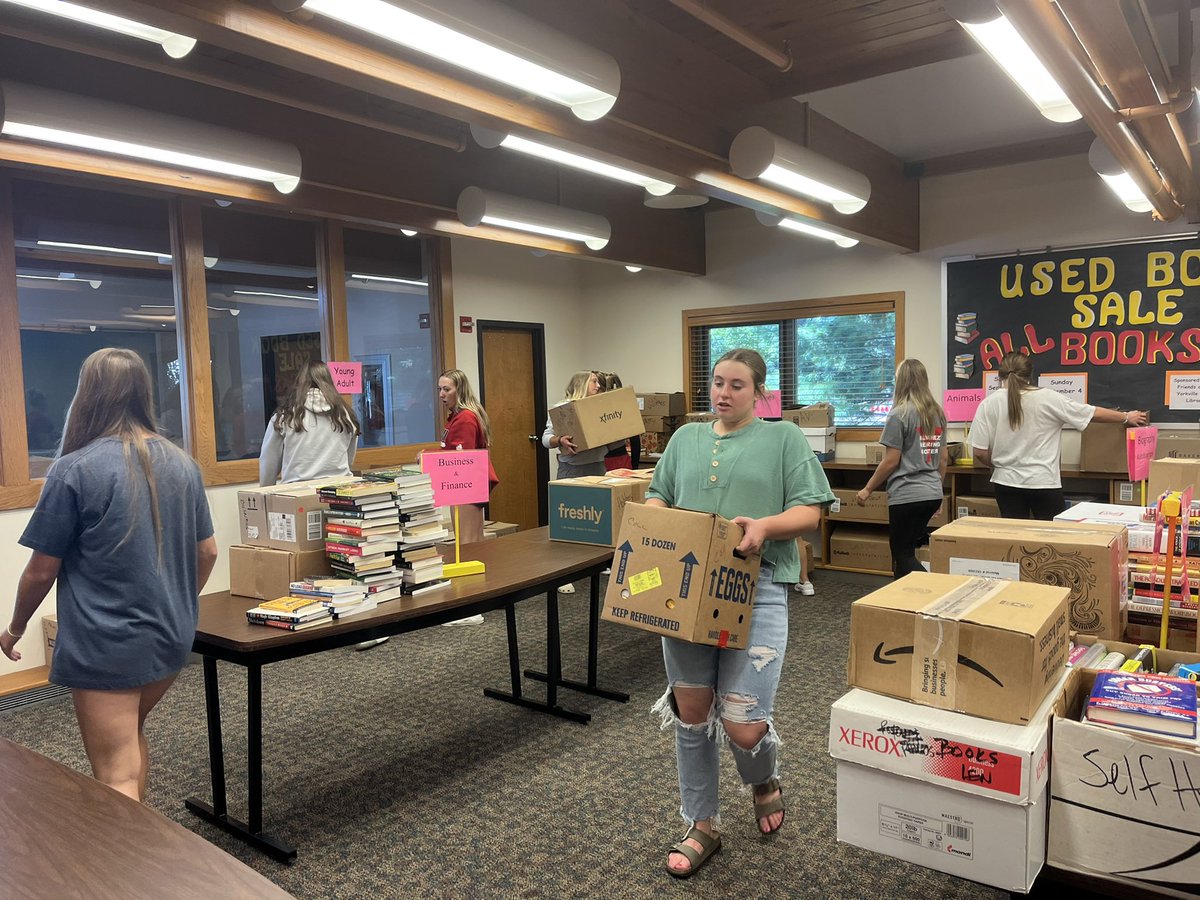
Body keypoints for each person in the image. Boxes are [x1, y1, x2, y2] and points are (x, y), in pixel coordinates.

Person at [645, 348, 834, 879]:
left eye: (737, 385)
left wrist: (765, 528)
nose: (724, 393)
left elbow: (811, 511)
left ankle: (764, 780)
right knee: (692, 711)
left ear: (760, 393)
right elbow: (657, 495)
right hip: (685, 591)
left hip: (759, 586)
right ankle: (701, 823)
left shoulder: (783, 438)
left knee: (744, 725)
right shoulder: (684, 440)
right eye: (718, 382)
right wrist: (662, 524)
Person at [1, 348, 218, 802]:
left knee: (116, 771)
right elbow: (208, 552)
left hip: (109, 642)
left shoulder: (73, 470)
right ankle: (144, 842)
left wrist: (15, 627)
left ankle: (131, 869)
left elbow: (41, 571)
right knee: (129, 735)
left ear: (87, 396)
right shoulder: (183, 464)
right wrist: (177, 601)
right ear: (143, 394)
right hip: (169, 633)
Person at [970, 351, 1148, 520]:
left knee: (1013, 538)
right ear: (1030, 375)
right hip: (1043, 482)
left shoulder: (988, 404)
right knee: (1052, 540)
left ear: (1000, 376)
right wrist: (1126, 417)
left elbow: (979, 452)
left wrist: (997, 465)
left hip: (1005, 483)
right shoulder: (1048, 398)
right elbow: (1090, 413)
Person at [856, 358, 947, 578]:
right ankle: (907, 602)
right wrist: (938, 492)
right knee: (909, 551)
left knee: (901, 554)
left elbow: (891, 460)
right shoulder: (937, 413)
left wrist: (867, 489)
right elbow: (943, 458)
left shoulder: (900, 414)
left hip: (907, 494)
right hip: (931, 492)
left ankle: (935, 589)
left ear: (901, 382)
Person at [436, 368, 499, 627]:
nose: (441, 394)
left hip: (466, 485)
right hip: (467, 485)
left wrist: (429, 457)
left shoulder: (464, 419)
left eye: (447, 389)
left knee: (469, 545)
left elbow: (460, 458)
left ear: (459, 390)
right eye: (439, 389)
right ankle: (475, 601)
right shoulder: (460, 416)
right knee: (471, 542)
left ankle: (472, 606)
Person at [259, 361, 360, 486]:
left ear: (299, 382)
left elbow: (268, 464)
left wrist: (265, 494)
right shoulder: (346, 416)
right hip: (340, 490)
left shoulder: (284, 418)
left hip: (297, 493)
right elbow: (349, 460)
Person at [597, 372, 642, 471]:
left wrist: (634, 467)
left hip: (616, 459)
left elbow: (635, 437)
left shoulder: (619, 408)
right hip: (605, 459)